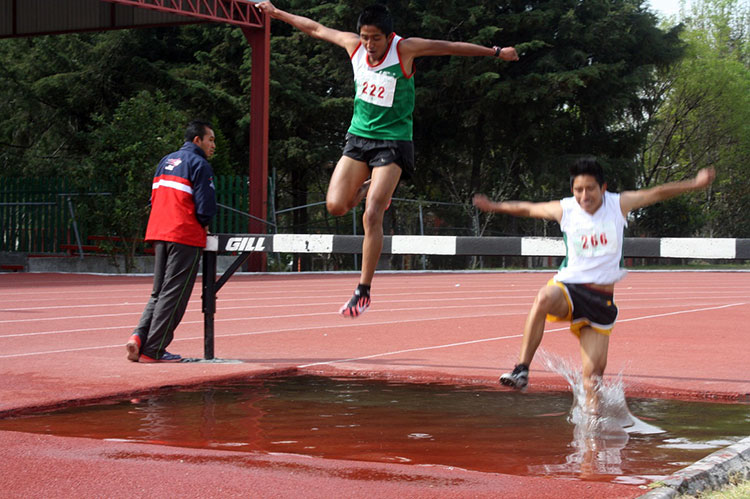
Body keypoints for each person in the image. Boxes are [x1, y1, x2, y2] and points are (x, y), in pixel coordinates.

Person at [255, 1, 519, 317]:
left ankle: (363, 291)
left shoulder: (404, 49)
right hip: (358, 139)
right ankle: (372, 187)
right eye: (365, 37)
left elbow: (449, 47)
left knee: (371, 215)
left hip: (392, 143)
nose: (369, 45)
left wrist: (495, 52)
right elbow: (315, 28)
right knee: (336, 206)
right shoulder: (354, 46)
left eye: (375, 39)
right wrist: (277, 12)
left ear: (388, 36)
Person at [473, 158, 715, 411]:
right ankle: (521, 369)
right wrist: (494, 207)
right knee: (544, 297)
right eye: (578, 190)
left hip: (600, 302)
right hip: (570, 287)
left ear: (603, 188)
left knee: (592, 382)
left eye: (590, 189)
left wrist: (695, 184)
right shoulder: (565, 209)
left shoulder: (618, 204)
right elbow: (527, 209)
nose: (584, 196)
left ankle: (593, 440)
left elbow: (657, 193)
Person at [125, 120, 218, 363]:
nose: (213, 145)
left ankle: (139, 336)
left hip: (159, 232)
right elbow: (205, 204)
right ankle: (153, 349)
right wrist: (205, 221)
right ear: (197, 140)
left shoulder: (165, 161)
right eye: (211, 139)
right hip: (184, 234)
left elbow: (153, 198)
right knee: (174, 293)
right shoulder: (200, 164)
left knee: (159, 291)